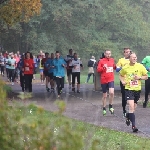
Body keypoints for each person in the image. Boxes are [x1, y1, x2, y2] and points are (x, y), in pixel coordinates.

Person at [119, 52, 148, 132]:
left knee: (133, 108)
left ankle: (128, 116)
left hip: (137, 90)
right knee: (131, 106)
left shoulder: (140, 66)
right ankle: (134, 126)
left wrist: (140, 77)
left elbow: (146, 76)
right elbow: (120, 75)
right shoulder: (126, 67)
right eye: (133, 57)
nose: (135, 58)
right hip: (129, 89)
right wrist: (122, 81)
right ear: (129, 59)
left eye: (135, 57)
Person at [97, 50, 116, 115]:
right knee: (104, 95)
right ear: (105, 54)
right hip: (104, 80)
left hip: (111, 79)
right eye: (107, 54)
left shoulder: (112, 60)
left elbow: (114, 67)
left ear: (111, 54)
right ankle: (104, 108)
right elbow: (98, 70)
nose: (108, 55)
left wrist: (117, 67)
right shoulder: (101, 61)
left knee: (111, 92)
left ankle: (110, 106)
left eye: (109, 54)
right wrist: (103, 68)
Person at [116, 48, 131, 117]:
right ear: (124, 53)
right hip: (123, 80)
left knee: (132, 96)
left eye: (129, 52)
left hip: (131, 81)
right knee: (124, 96)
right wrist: (123, 68)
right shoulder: (121, 60)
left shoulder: (132, 59)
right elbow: (117, 69)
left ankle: (131, 110)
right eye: (127, 52)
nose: (128, 53)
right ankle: (124, 110)